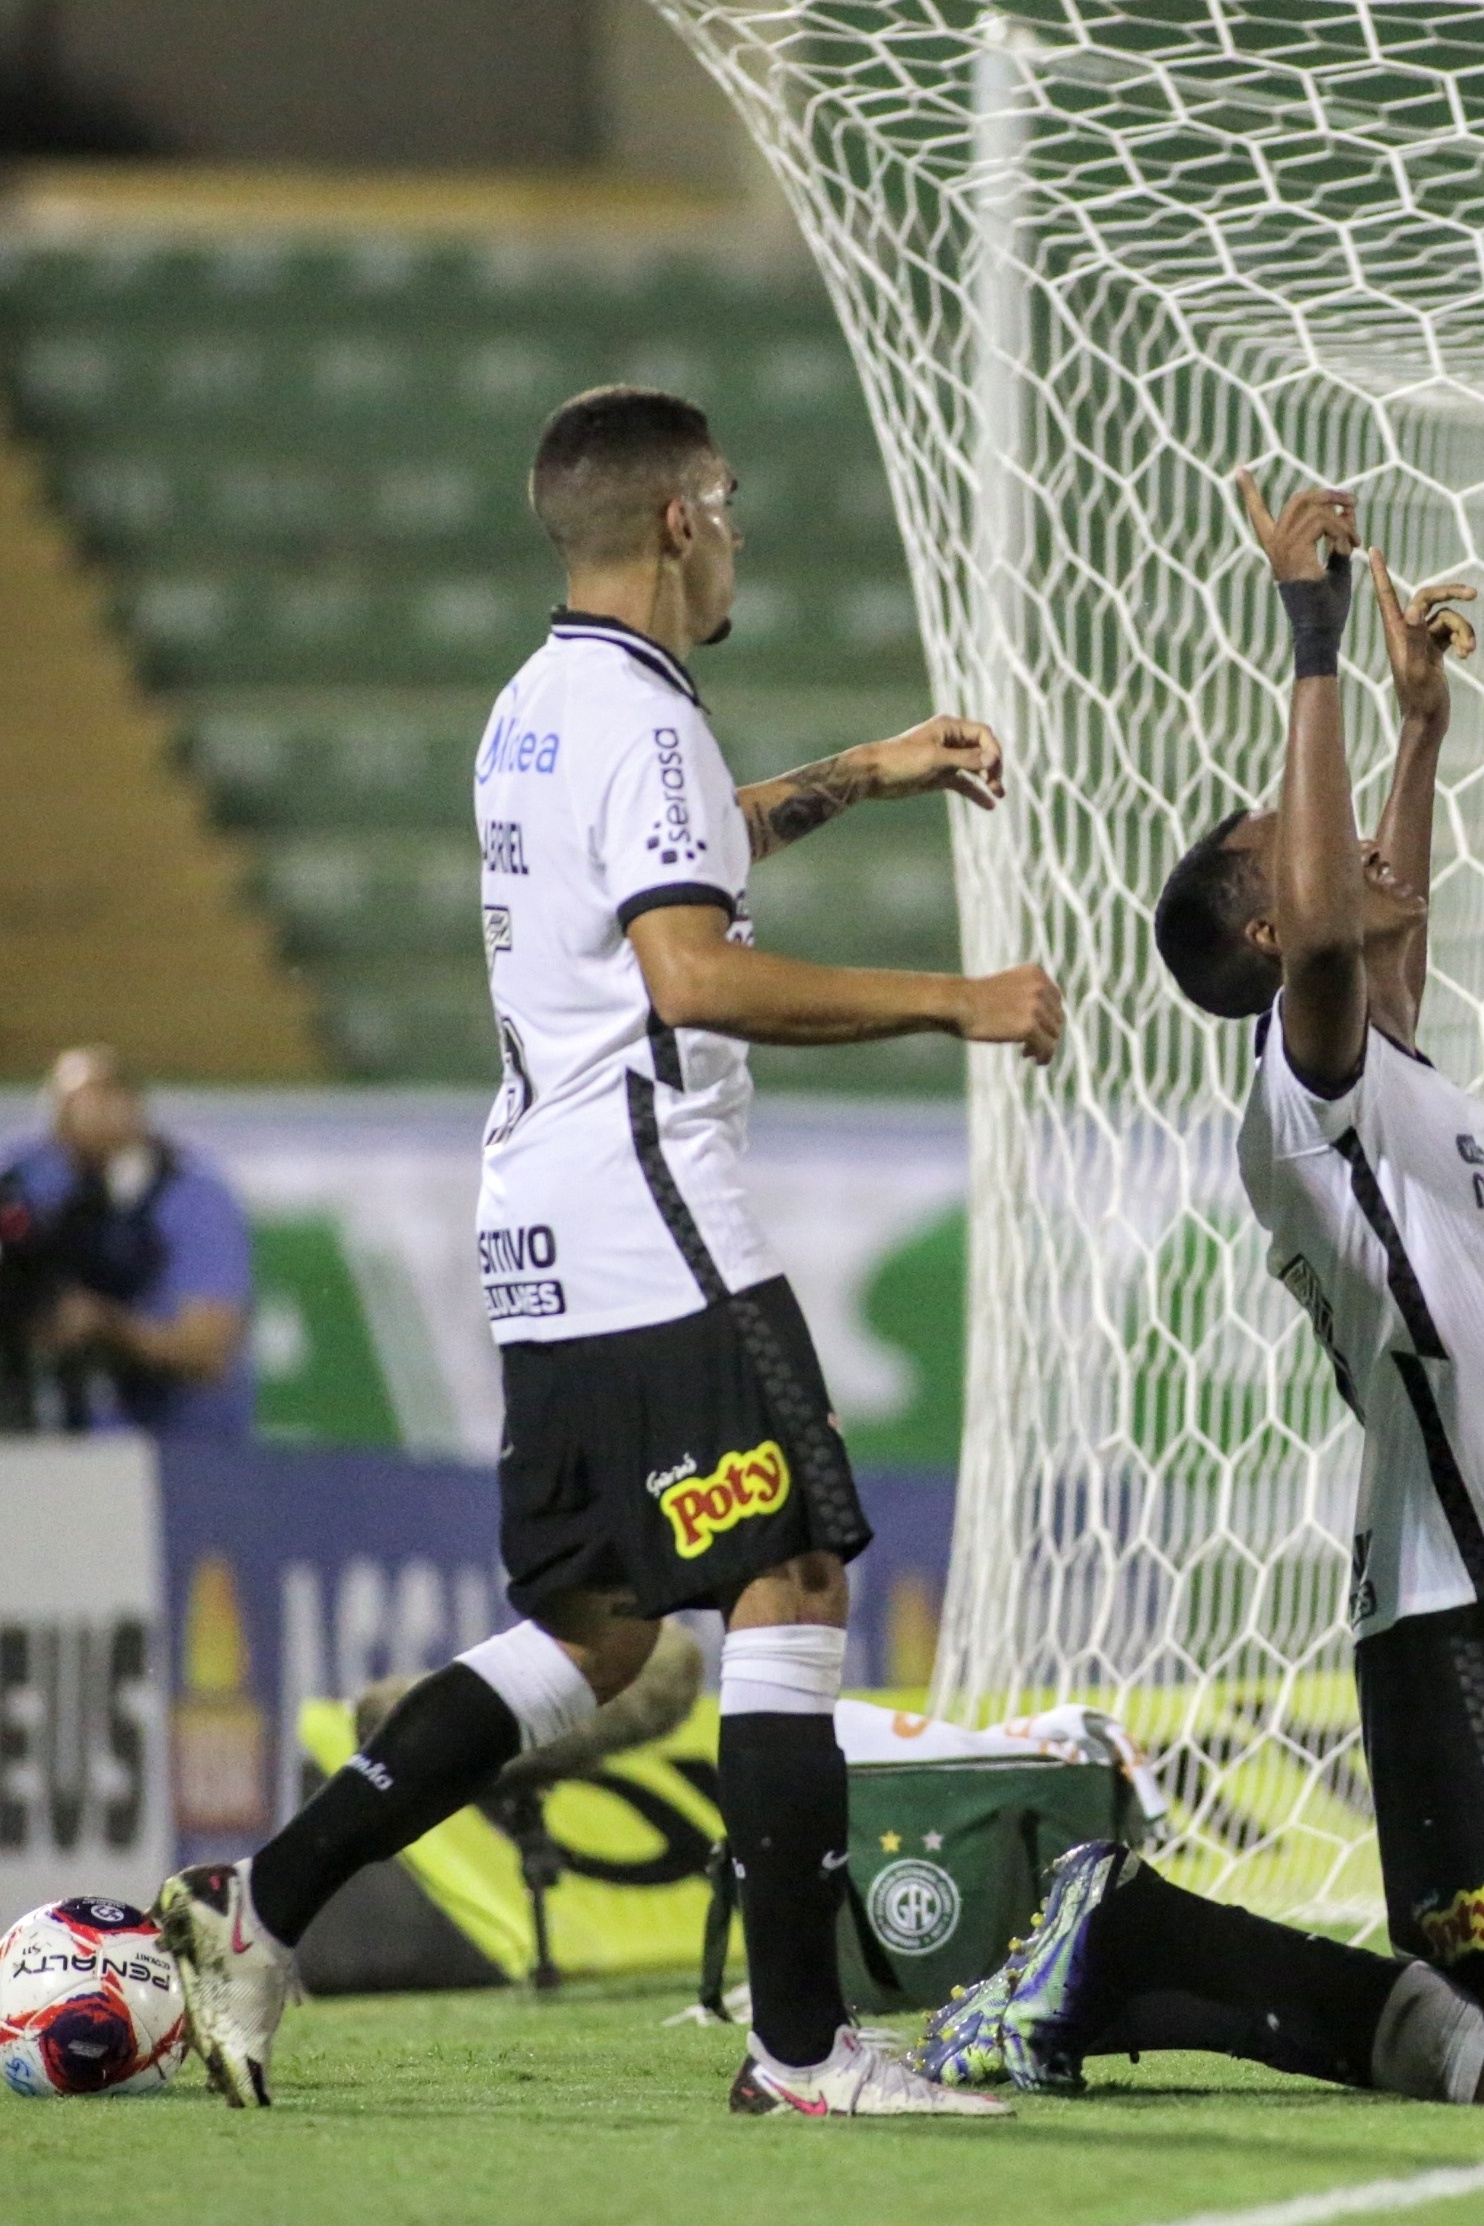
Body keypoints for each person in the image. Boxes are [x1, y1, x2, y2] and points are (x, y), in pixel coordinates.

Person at [155, 384, 1064, 2120]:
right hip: (659, 1218)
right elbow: (691, 975)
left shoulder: (537, 707)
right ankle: (803, 2054)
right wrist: (960, 999)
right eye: (722, 504)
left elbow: (674, 845)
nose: (734, 534)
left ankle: (260, 1901)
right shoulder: (634, 719)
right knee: (789, 1578)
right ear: (675, 518)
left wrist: (867, 771)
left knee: (587, 1634)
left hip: (539, 1224)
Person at [916, 475, 1484, 2108]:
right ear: (1263, 923)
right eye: (1299, 852)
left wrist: (1420, 733)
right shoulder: (1296, 1081)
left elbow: (1376, 919)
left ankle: (1124, 1938)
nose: (1359, 861)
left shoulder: (1387, 1068)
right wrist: (1306, 634)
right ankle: (1122, 1949)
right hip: (1454, 1589)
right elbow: (1332, 932)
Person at [0, 1046, 253, 1440]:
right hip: (54, 1440)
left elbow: (206, 1351)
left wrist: (102, 1324)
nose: (79, 1116)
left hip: (179, 1448)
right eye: (65, 1104)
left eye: (100, 1098)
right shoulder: (33, 1176)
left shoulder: (191, 1196)